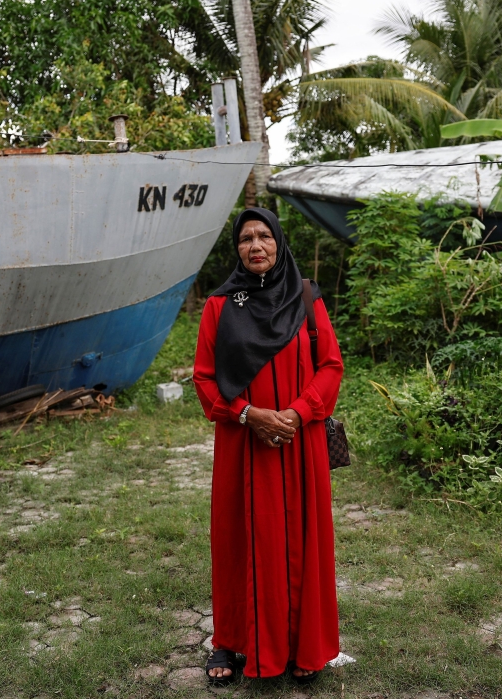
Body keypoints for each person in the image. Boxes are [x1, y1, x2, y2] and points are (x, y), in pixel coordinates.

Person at [193, 207, 344, 685]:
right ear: (235, 248)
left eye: (264, 237)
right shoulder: (219, 305)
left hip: (300, 443)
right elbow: (204, 377)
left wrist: (298, 412)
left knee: (302, 540)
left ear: (279, 243)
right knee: (239, 541)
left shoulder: (305, 298)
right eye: (245, 239)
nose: (255, 246)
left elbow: (331, 365)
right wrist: (249, 414)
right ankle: (232, 641)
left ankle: (305, 645)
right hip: (244, 443)